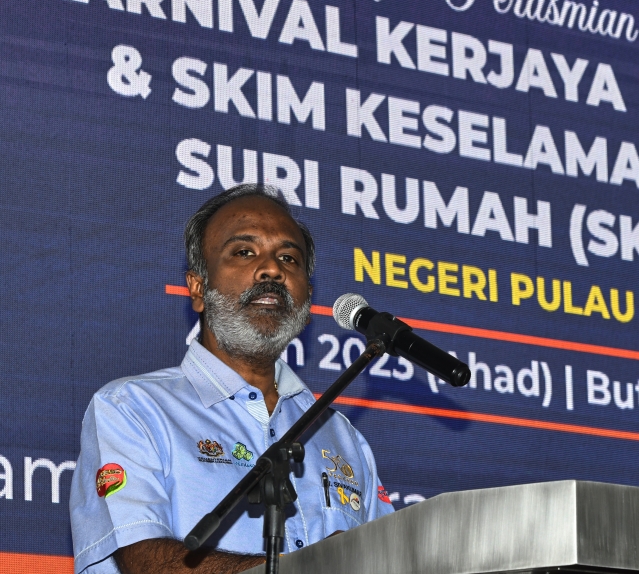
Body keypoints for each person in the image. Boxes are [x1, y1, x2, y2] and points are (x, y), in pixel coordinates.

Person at [69, 185, 395, 574]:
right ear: (197, 288)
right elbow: (146, 562)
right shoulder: (133, 409)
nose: (272, 269)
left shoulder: (342, 436)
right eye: (244, 252)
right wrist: (310, 568)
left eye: (289, 258)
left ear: (307, 303)